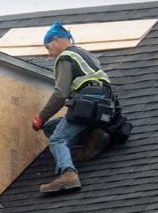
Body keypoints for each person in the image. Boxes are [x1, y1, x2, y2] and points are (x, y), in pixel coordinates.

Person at [32, 22, 113, 193]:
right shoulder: (85, 55)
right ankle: (91, 137)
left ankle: (68, 174)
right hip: (104, 106)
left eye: (48, 47)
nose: (49, 53)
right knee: (50, 128)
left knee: (57, 139)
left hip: (86, 103)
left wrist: (41, 116)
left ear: (55, 39)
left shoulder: (65, 57)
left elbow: (61, 94)